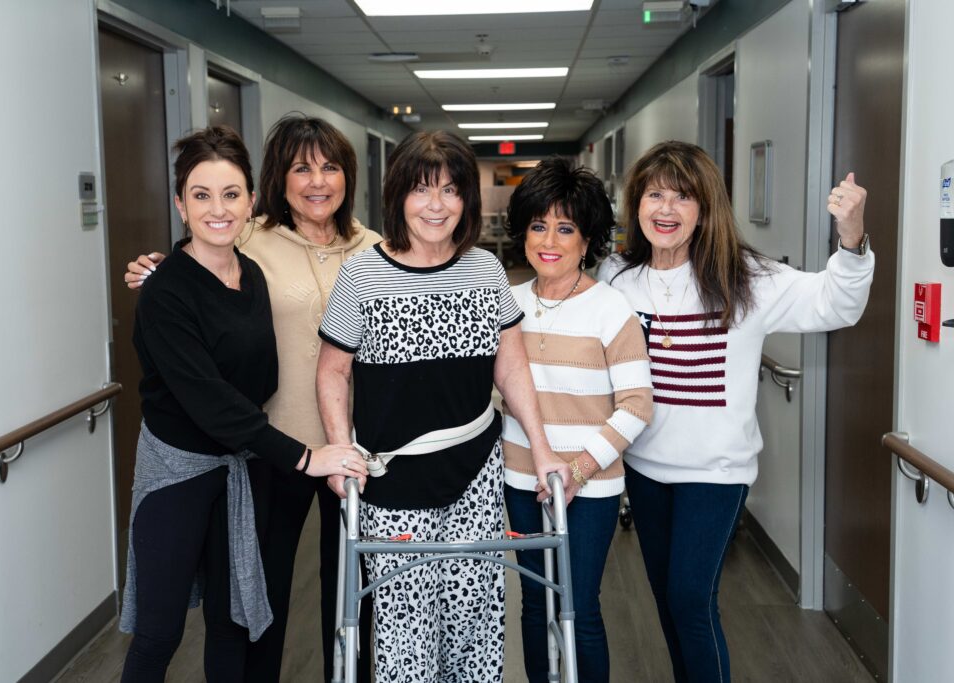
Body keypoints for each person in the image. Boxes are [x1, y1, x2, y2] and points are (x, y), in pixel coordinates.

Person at [598, 140, 873, 682]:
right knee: (667, 602)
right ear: (637, 205)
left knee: (691, 600)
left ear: (707, 208)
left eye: (683, 197)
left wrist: (852, 235)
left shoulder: (748, 277)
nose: (666, 210)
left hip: (715, 474)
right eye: (655, 195)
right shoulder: (617, 278)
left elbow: (837, 303)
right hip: (644, 468)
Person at [124, 115, 378, 683]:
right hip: (260, 453)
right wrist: (157, 270)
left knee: (342, 601)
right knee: (241, 609)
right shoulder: (250, 241)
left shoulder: (371, 249)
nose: (317, 181)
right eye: (301, 168)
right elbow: (197, 279)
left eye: (330, 166)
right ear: (278, 183)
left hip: (344, 450)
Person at [316, 131, 573, 683]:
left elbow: (512, 366)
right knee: (405, 629)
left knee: (474, 620)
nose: (436, 205)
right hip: (392, 478)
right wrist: (340, 450)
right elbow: (333, 369)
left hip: (473, 474)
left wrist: (545, 449)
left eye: (451, 190)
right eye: (421, 189)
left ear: (467, 202)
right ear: (398, 196)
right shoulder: (362, 274)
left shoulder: (484, 269)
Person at [502, 156, 654, 683]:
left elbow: (638, 405)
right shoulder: (507, 305)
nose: (550, 240)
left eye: (565, 228)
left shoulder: (613, 310)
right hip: (519, 478)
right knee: (532, 602)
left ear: (587, 240)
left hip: (589, 488)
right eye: (539, 225)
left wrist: (582, 468)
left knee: (579, 604)